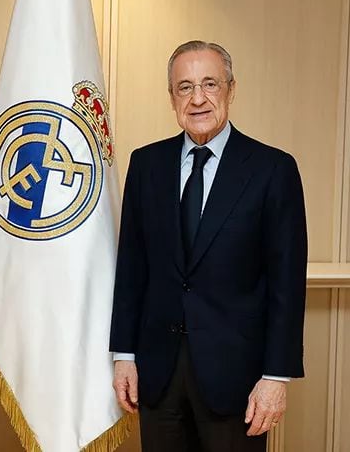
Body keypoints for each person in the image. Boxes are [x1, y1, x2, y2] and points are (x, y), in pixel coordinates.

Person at [109, 40, 307, 451]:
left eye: (209, 84)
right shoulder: (146, 165)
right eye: (184, 87)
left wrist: (276, 377)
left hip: (237, 380)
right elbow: (132, 268)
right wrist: (123, 355)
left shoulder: (273, 169)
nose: (197, 99)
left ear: (231, 90)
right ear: (171, 97)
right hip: (157, 374)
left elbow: (287, 284)